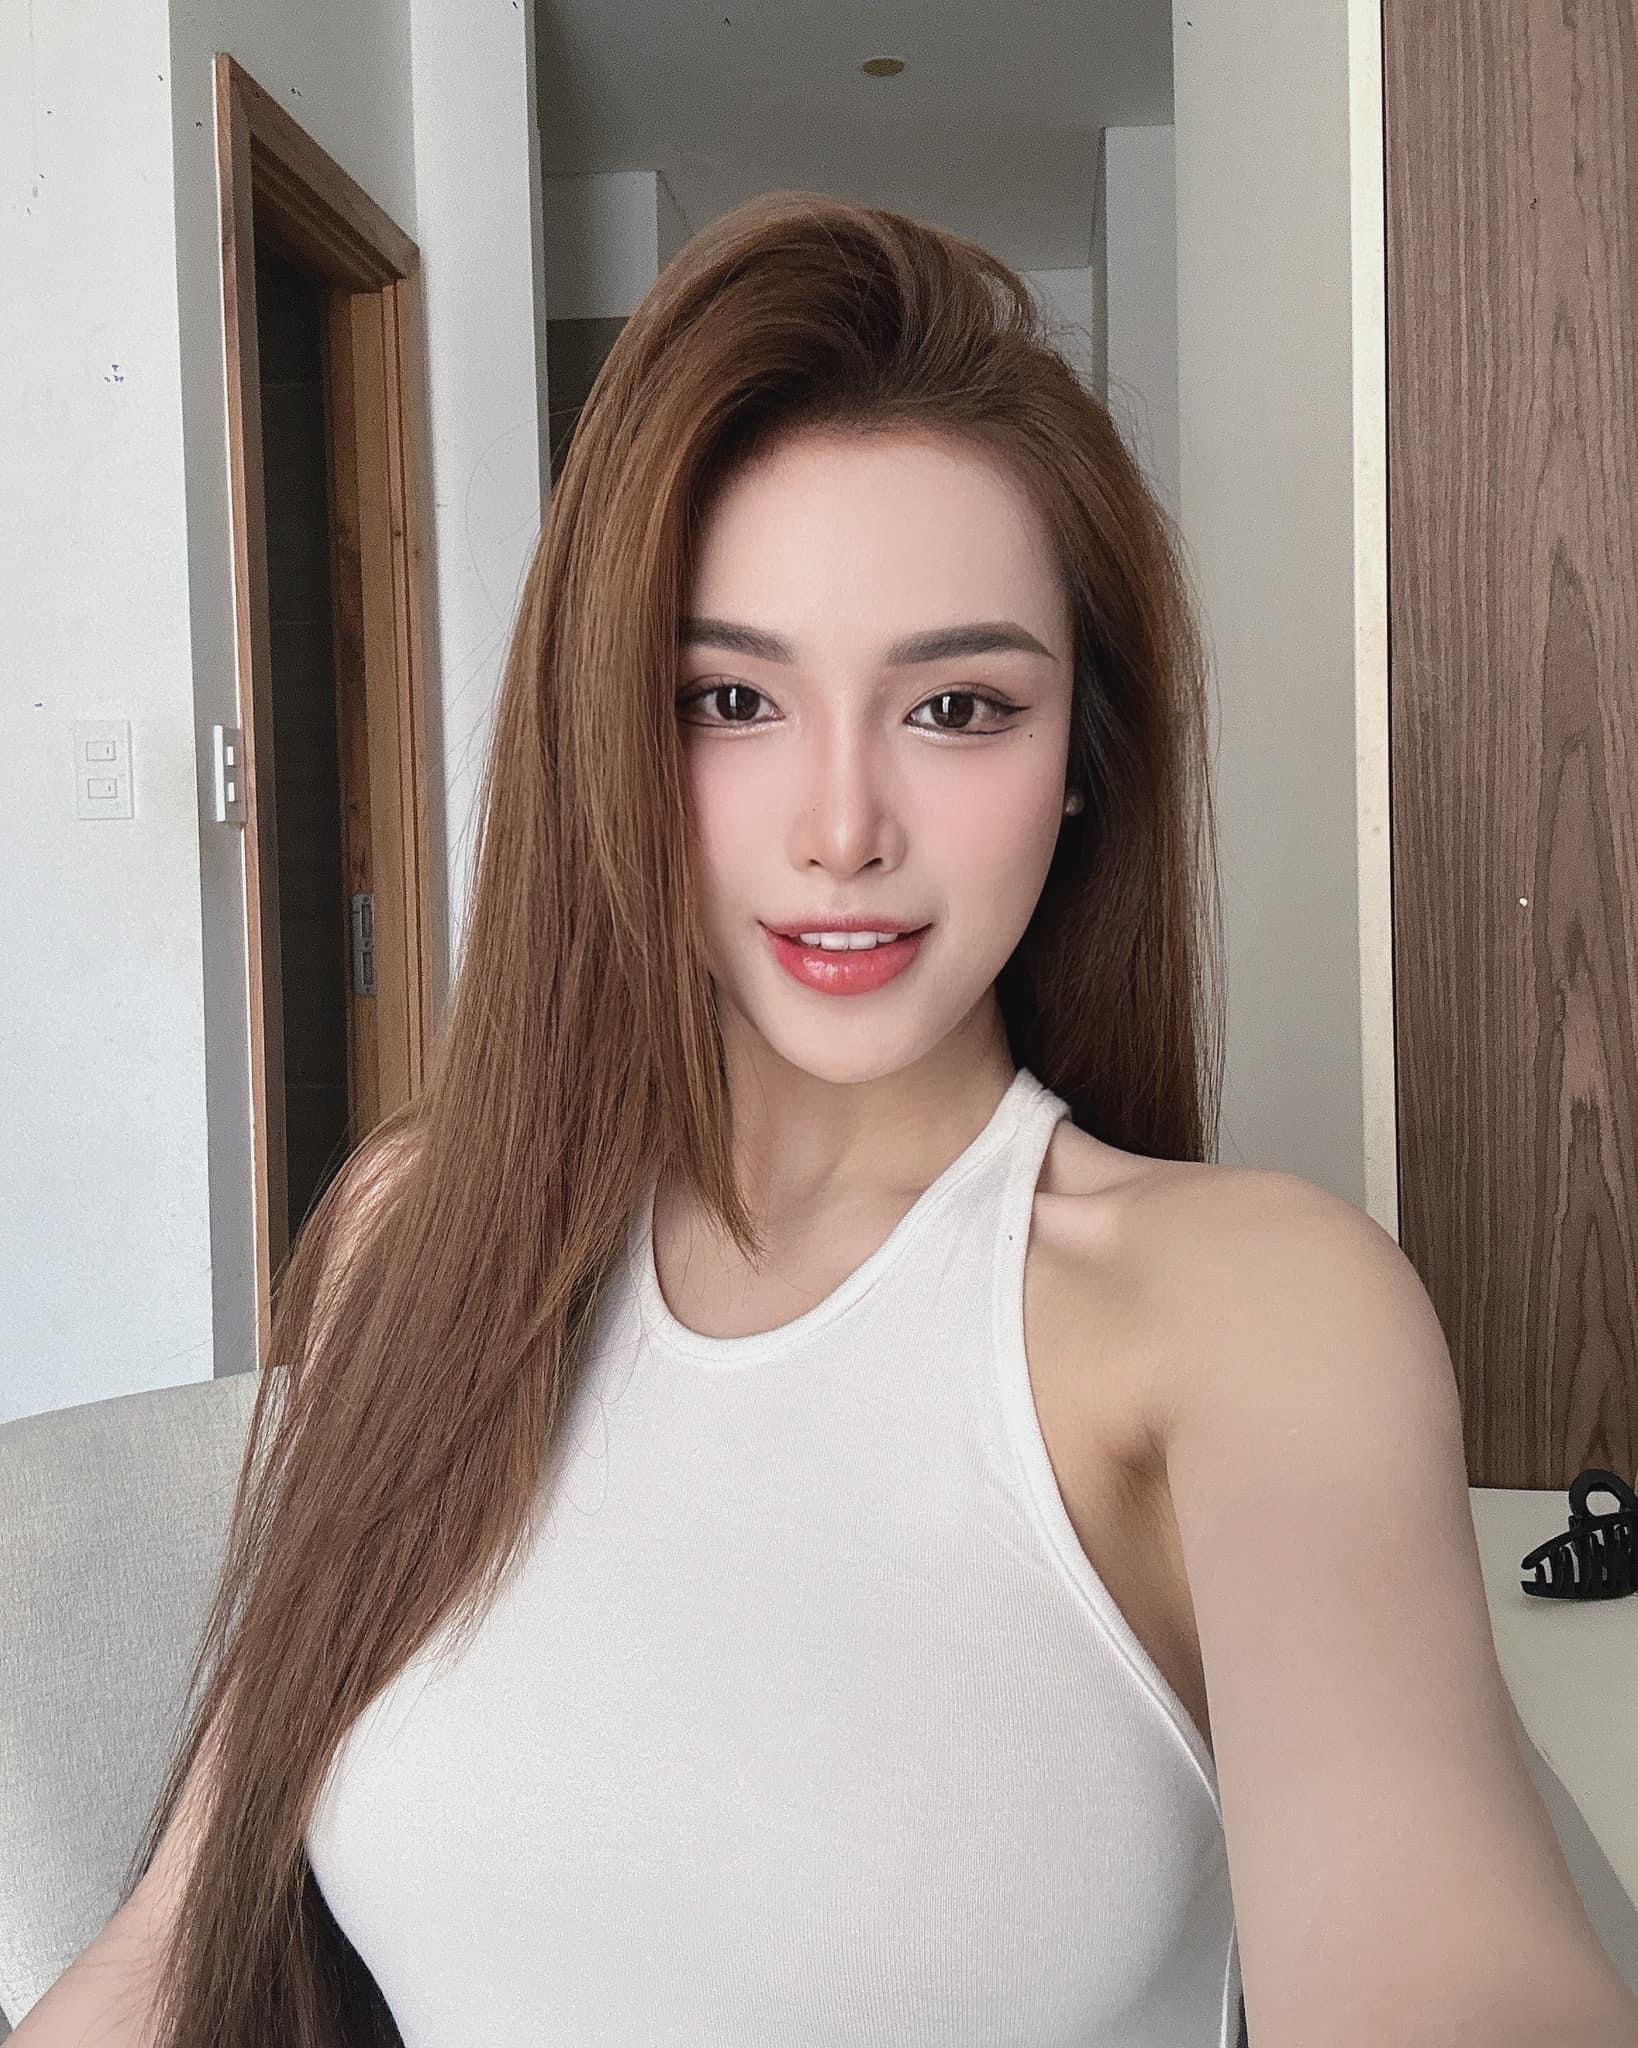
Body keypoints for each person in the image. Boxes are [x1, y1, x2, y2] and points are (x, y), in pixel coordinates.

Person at [23, 190, 1638, 2048]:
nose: (841, 827)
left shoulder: (1241, 1309)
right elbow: (171, 1947)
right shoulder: (421, 1229)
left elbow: (1442, 1969)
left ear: (1083, 761)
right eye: (730, 698)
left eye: (955, 706)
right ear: (604, 736)